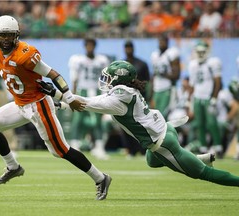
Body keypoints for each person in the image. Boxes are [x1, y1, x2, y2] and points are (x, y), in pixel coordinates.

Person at [0, 15, 111, 201]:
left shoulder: (26, 54)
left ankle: (101, 178)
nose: (4, 39)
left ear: (16, 35)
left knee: (60, 150)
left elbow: (54, 74)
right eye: (1, 35)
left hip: (38, 105)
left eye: (9, 35)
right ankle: (13, 167)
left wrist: (69, 97)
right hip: (20, 104)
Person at [39, 60, 239, 187]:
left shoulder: (118, 100)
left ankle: (216, 172)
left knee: (204, 174)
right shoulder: (127, 91)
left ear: (119, 81)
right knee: (151, 161)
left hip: (162, 143)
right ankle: (199, 157)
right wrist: (63, 104)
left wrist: (57, 94)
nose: (105, 81)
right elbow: (89, 103)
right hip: (165, 129)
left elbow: (86, 103)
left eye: (109, 78)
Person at [68, 37, 110, 159]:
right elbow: (74, 79)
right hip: (82, 91)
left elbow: (105, 80)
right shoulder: (78, 60)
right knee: (78, 118)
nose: (90, 47)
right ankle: (75, 144)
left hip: (96, 91)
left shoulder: (102, 60)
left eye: (92, 45)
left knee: (97, 119)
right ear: (85, 46)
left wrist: (106, 94)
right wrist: (72, 96)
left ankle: (98, 145)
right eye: (88, 45)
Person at [188, 40, 223, 157]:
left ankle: (218, 147)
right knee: (200, 123)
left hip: (208, 97)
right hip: (198, 97)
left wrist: (214, 97)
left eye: (203, 52)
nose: (201, 54)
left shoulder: (212, 62)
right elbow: (192, 85)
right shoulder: (192, 64)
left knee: (212, 123)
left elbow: (218, 82)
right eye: (199, 52)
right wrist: (189, 101)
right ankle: (203, 147)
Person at [123, 40, 150, 157]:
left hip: (139, 98)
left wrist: (149, 97)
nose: (128, 49)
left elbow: (147, 82)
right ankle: (131, 150)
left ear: (133, 48)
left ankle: (144, 150)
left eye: (130, 47)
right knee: (127, 125)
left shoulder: (141, 64)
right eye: (126, 47)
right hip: (125, 99)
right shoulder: (121, 65)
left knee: (142, 124)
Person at [150, 34, 181, 119]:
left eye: (163, 41)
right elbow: (154, 75)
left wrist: (163, 74)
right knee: (154, 117)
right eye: (160, 41)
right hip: (157, 89)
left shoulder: (171, 54)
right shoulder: (155, 55)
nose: (161, 43)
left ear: (167, 42)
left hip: (167, 88)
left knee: (163, 116)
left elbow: (176, 75)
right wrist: (151, 94)